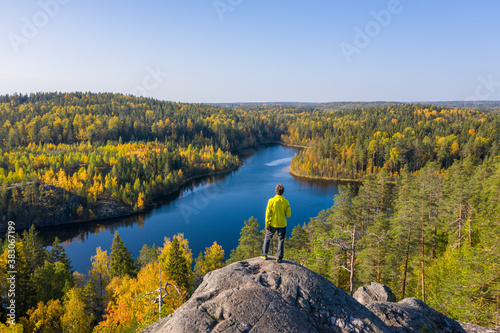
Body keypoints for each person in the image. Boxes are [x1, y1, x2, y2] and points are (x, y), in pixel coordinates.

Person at [261, 184, 291, 263]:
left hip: (272, 224)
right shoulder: (286, 202)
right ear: (283, 192)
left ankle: (264, 254)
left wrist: (267, 224)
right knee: (281, 240)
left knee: (267, 238)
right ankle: (279, 258)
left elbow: (267, 213)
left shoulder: (271, 201)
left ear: (275, 191)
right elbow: (289, 215)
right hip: (282, 224)